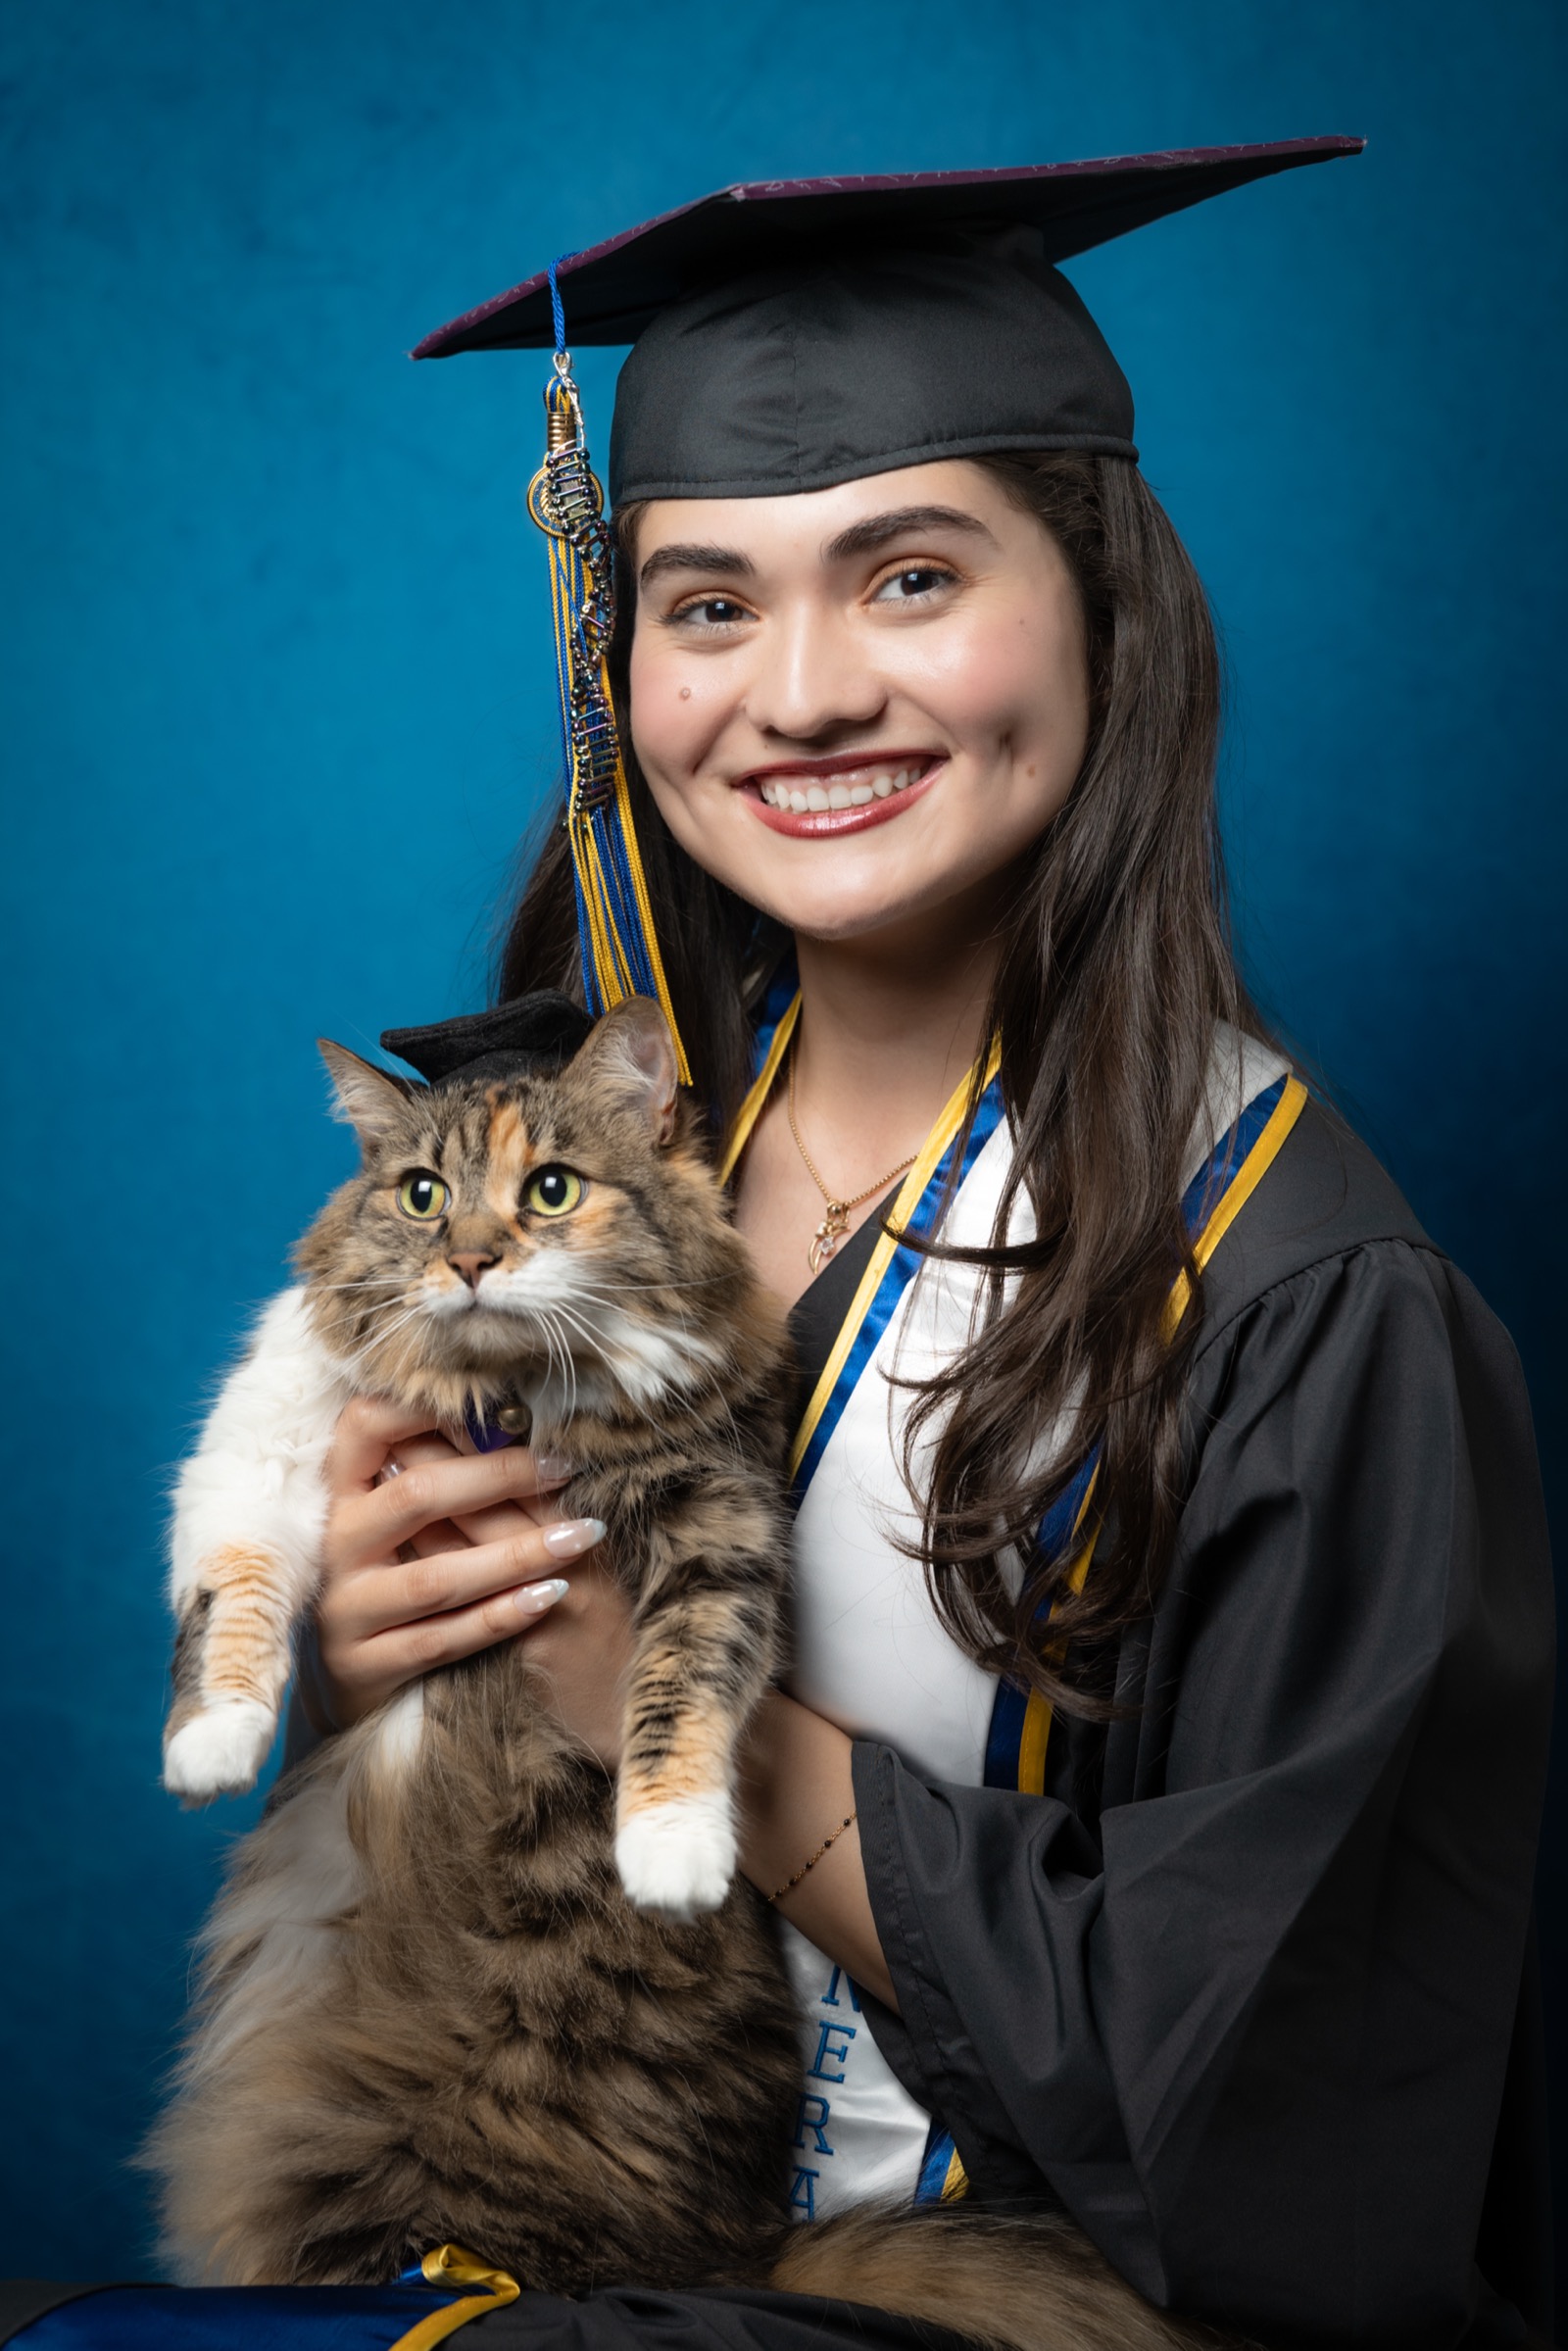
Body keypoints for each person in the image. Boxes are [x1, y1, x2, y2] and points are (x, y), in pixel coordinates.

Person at [11, 143, 1548, 2351]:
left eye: (909, 576)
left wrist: (685, 1707)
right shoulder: (593, 1158)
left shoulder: (1296, 1295)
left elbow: (1302, 2132)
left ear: (1107, 610)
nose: (799, 694)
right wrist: (371, 1658)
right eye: (708, 602)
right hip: (535, 2214)